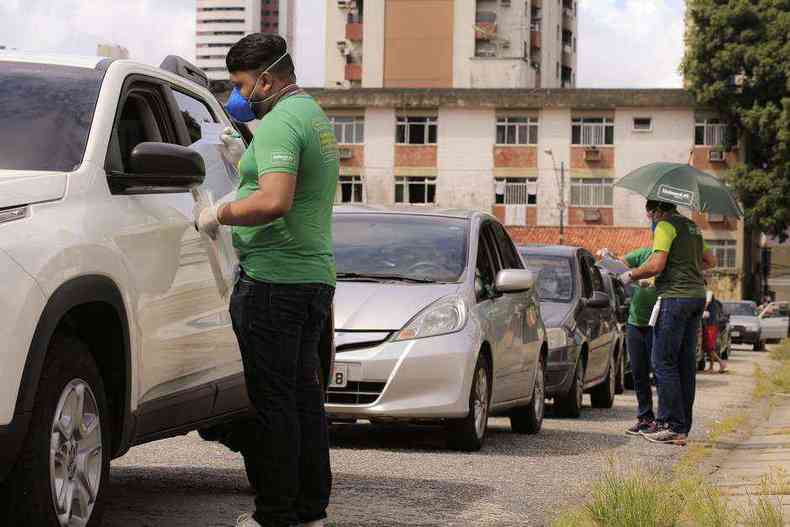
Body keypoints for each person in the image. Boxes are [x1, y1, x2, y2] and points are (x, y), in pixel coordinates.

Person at [197, 34, 339, 527]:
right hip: (310, 278)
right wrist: (245, 163)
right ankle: (309, 510)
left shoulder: (280, 123)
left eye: (241, 84)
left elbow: (273, 201)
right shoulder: (312, 116)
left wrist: (220, 211)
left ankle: (275, 513)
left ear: (267, 78)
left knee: (274, 405)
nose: (239, 95)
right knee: (302, 400)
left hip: (275, 282)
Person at [620, 200, 716, 445]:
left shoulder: (665, 225)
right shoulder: (692, 227)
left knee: (662, 360)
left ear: (656, 211)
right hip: (696, 298)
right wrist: (686, 267)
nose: (650, 219)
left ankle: (670, 425)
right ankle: (682, 428)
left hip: (675, 298)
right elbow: (710, 260)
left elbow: (656, 264)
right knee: (684, 364)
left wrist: (629, 275)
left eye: (650, 214)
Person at [615, 247, 659, 436]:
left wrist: (651, 283)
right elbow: (621, 263)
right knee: (638, 372)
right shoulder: (643, 254)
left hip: (657, 323)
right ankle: (645, 417)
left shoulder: (666, 259)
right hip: (635, 322)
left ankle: (663, 420)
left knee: (660, 372)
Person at [702, 291, 727, 373]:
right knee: (707, 347)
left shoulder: (709, 293)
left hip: (711, 325)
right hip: (708, 324)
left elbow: (706, 304)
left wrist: (701, 309)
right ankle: (712, 367)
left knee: (710, 347)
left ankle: (721, 363)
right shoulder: (704, 294)